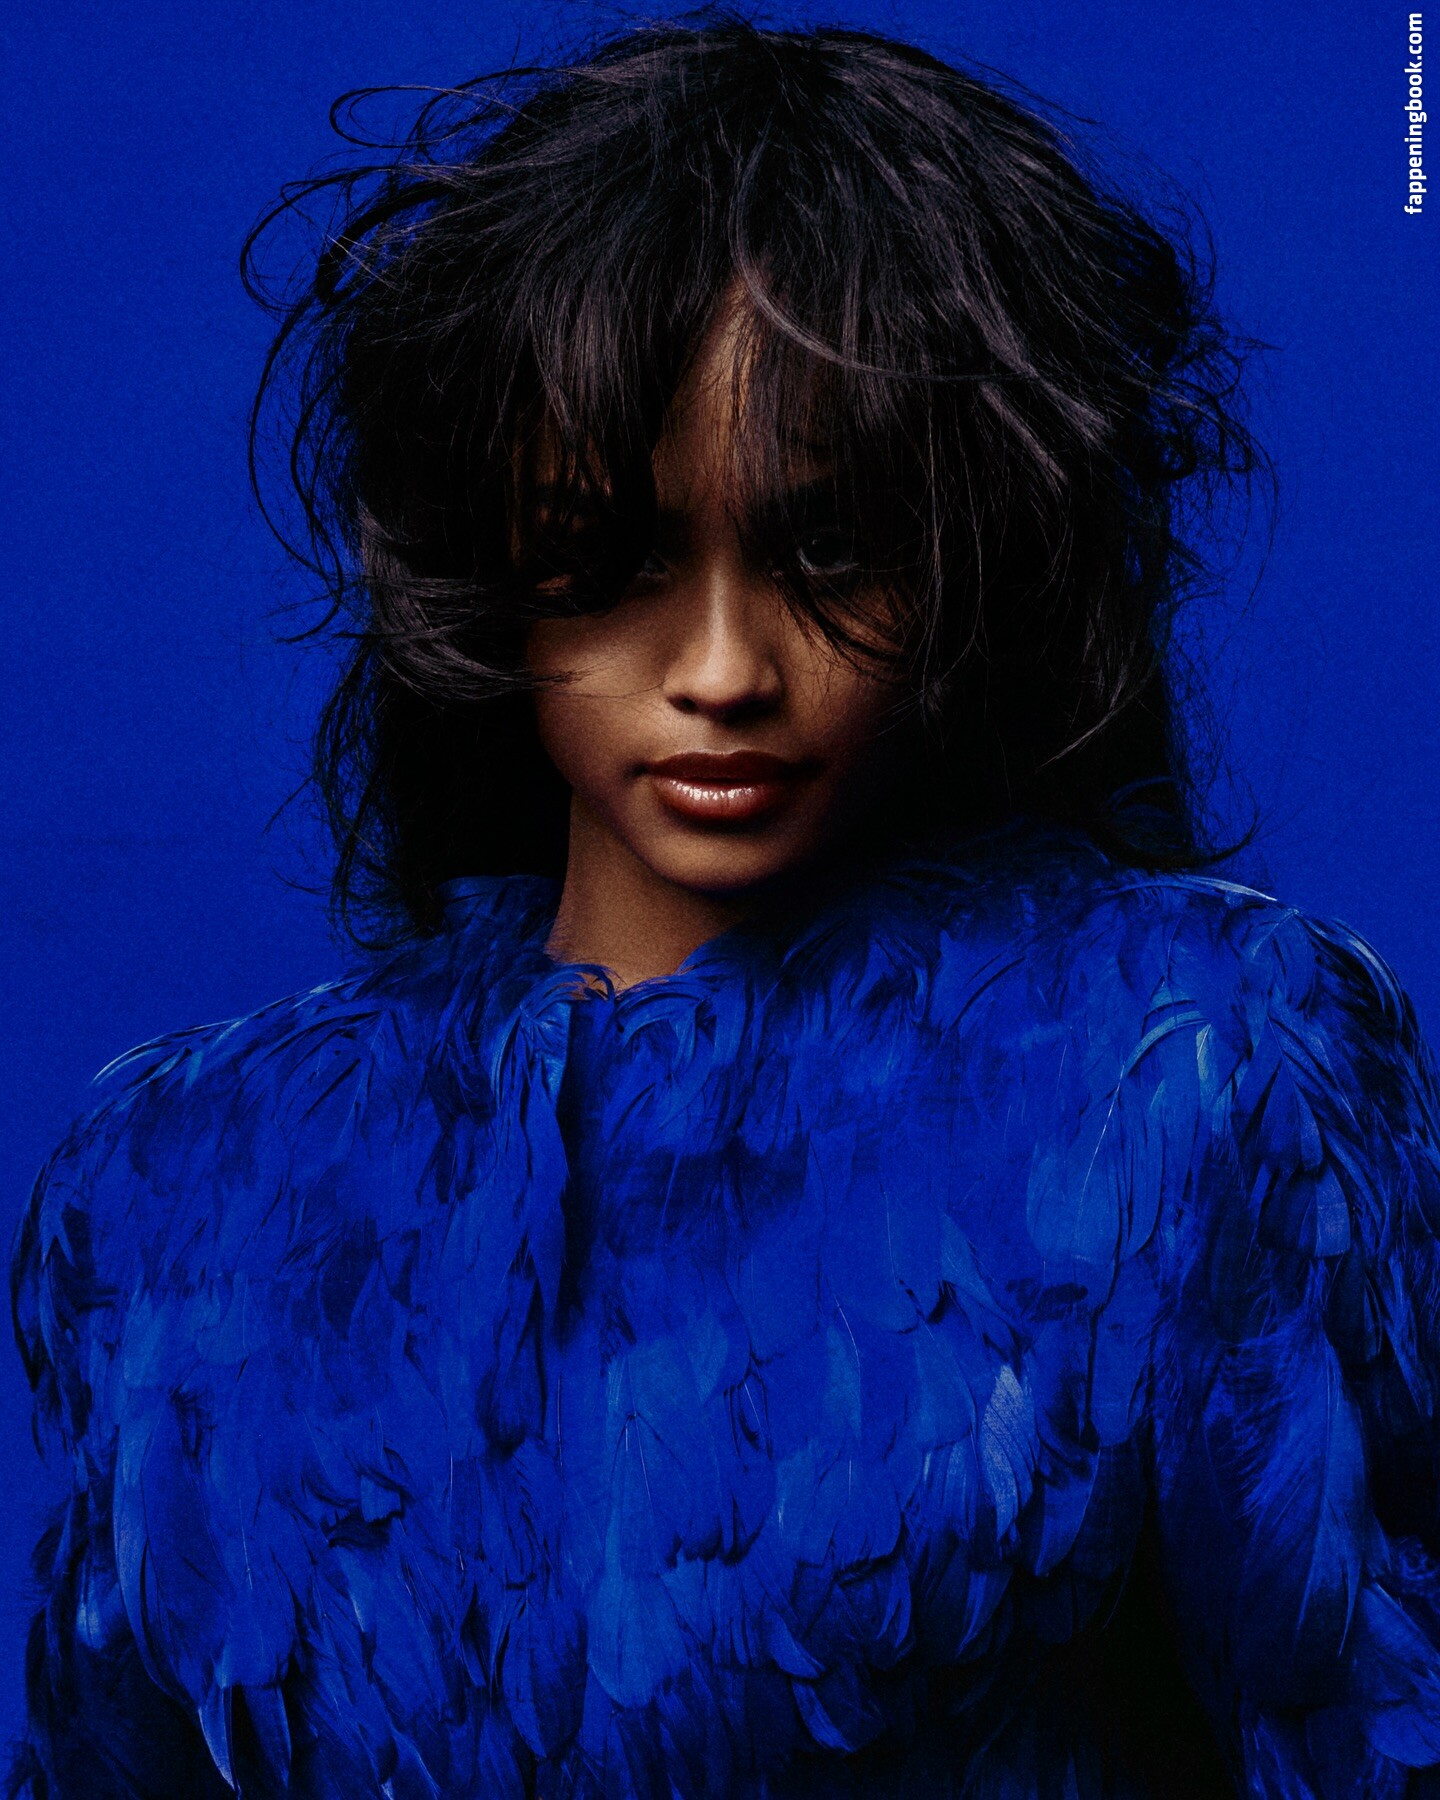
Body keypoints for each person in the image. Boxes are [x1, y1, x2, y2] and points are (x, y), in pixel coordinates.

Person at [10, 18, 1440, 1798]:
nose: (721, 670)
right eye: (608, 559)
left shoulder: (1194, 1070)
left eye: (829, 551)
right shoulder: (181, 1185)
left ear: (978, 555)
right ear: (485, 569)